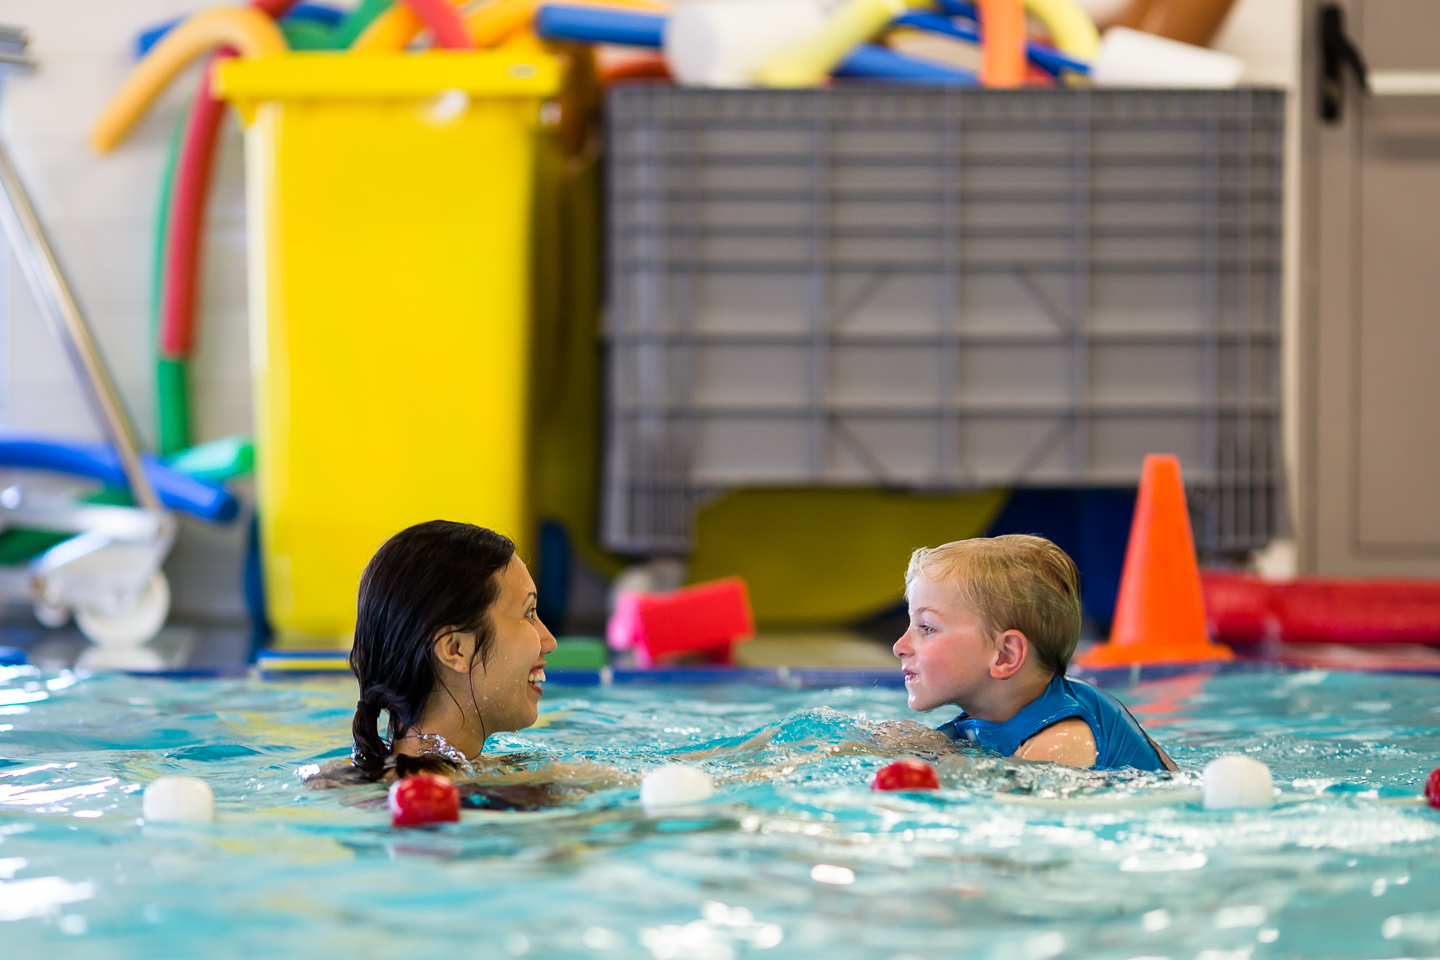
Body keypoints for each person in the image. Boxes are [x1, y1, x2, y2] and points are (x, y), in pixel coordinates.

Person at [893, 535, 1177, 771]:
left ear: (1005, 655)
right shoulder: (987, 720)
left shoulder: (1063, 741)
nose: (899, 647)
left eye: (927, 627)